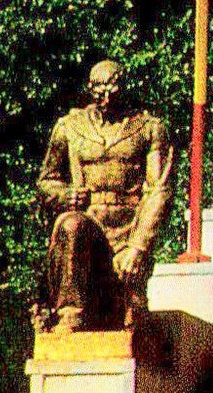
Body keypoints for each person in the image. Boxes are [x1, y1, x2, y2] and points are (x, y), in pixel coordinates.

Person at [37, 59, 174, 333]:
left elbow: (159, 189)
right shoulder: (69, 127)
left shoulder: (148, 128)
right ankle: (69, 314)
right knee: (71, 225)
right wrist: (66, 195)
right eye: (100, 89)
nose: (107, 96)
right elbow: (46, 182)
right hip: (90, 229)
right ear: (90, 89)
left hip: (129, 232)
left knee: (130, 321)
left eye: (114, 87)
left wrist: (138, 246)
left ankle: (127, 299)